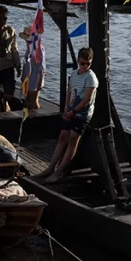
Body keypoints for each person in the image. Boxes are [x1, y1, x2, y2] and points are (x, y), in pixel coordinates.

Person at [38, 48, 98, 183]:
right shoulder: (74, 74)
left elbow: (87, 99)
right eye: (82, 63)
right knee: (62, 136)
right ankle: (50, 168)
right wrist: (66, 108)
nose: (84, 66)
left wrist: (74, 111)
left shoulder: (91, 78)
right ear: (78, 61)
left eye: (87, 64)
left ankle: (59, 172)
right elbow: (70, 92)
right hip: (71, 109)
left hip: (82, 114)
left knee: (72, 140)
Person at [19, 25, 46, 109]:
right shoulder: (29, 47)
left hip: (35, 79)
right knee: (27, 100)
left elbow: (42, 67)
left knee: (34, 100)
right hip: (28, 78)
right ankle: (28, 115)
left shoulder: (38, 48)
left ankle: (35, 115)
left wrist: (40, 82)